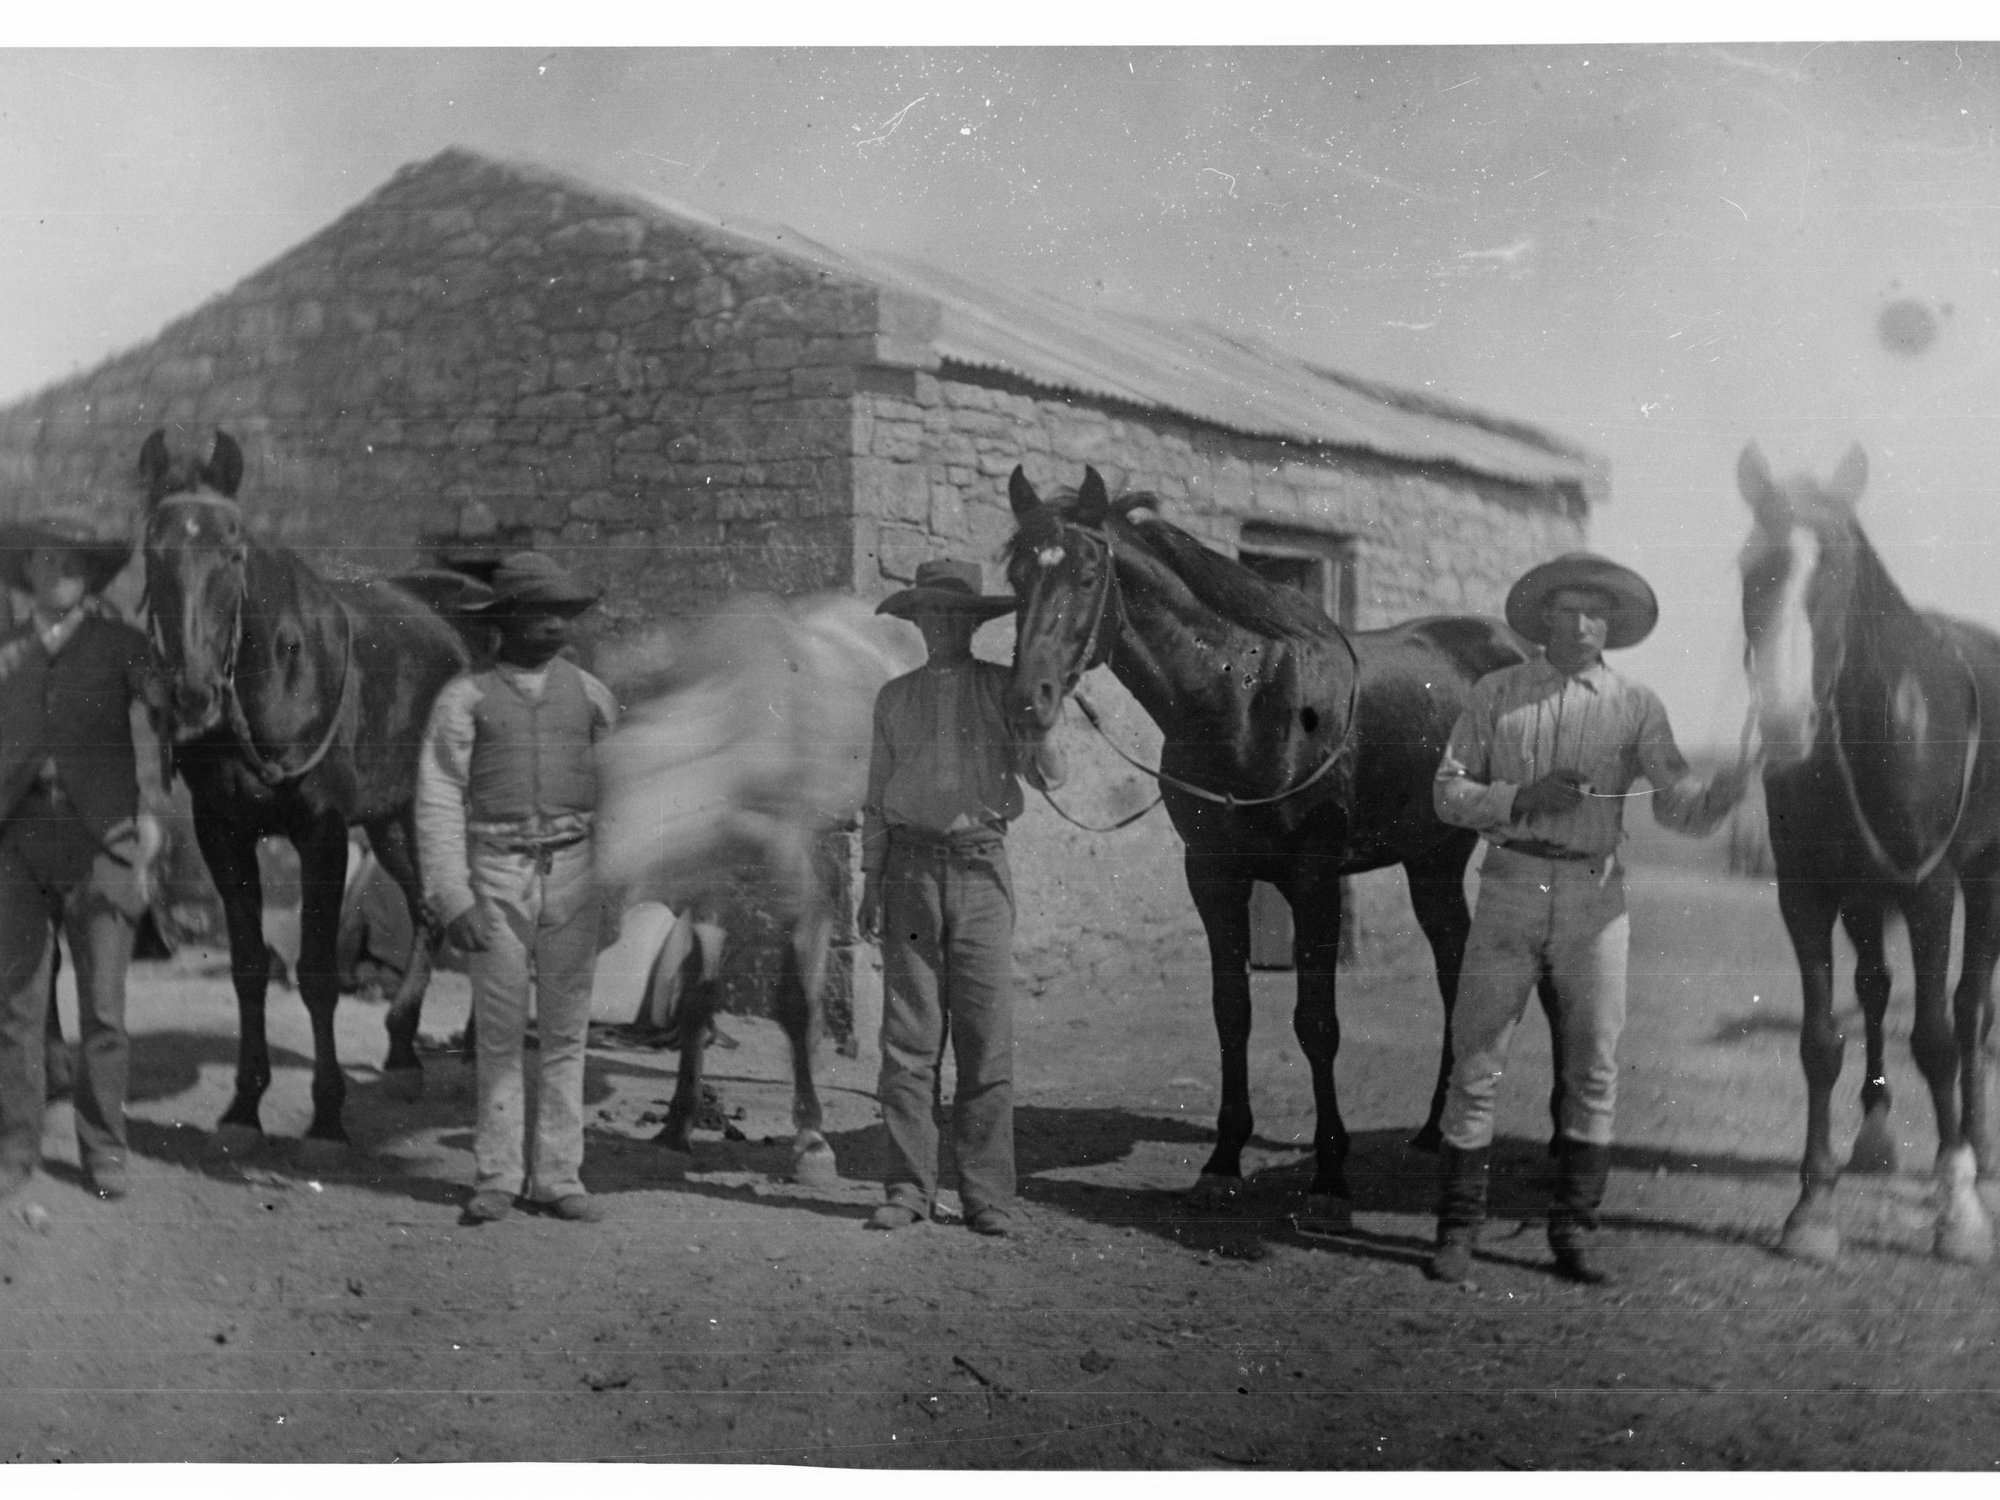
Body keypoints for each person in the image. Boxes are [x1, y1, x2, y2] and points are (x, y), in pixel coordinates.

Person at [1429, 553, 1749, 1286]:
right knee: (1474, 1061)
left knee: (1594, 1068)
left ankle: (1573, 1228)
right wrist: (1518, 798)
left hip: (1594, 901)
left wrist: (1723, 792)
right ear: (1544, 618)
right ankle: (1456, 1229)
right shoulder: (1496, 695)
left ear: (1613, 627)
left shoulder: (1636, 705)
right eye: (1568, 610)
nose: (1581, 624)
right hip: (1509, 887)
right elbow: (1446, 793)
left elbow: (1677, 803)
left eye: (1595, 613)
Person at [859, 559, 1067, 1238]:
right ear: (915, 623)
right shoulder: (894, 698)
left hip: (980, 874)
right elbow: (876, 803)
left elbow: (1052, 779)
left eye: (954, 617)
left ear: (973, 626)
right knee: (909, 1041)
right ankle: (906, 1188)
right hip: (911, 877)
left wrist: (1037, 721)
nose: (941, 628)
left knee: (984, 1042)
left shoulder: (1001, 689)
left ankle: (986, 1196)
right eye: (930, 617)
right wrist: (871, 881)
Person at [416, 551, 617, 1226]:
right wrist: (453, 897)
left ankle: (559, 1175)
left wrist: (610, 882)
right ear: (505, 623)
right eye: (541, 615)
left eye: (564, 615)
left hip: (575, 868)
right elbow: (439, 800)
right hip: (497, 872)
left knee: (566, 1032)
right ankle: (498, 1175)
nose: (557, 627)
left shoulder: (591, 695)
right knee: (500, 1035)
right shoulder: (465, 700)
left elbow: (617, 785)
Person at [0, 512, 166, 1205]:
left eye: (71, 563)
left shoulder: (124, 646)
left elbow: (160, 717)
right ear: (28, 573)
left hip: (103, 841)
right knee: (16, 1008)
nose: (57, 573)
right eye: (44, 561)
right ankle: (15, 1151)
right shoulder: (5, 651)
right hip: (19, 842)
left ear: (89, 576)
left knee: (103, 1011)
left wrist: (150, 813)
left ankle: (104, 1153)